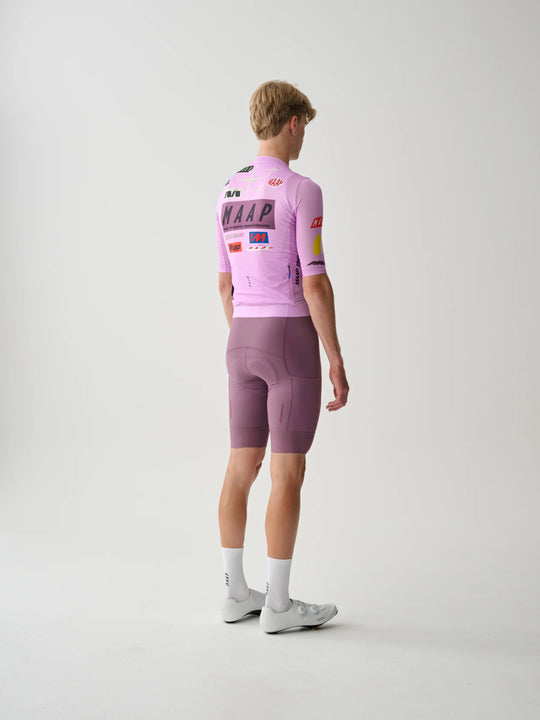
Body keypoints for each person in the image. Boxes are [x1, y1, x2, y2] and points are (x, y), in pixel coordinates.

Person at [215, 80, 349, 634]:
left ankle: (234, 593)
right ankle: (278, 605)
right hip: (289, 338)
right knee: (287, 472)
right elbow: (315, 284)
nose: (304, 138)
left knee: (240, 467)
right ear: (293, 122)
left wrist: (248, 337)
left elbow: (224, 284)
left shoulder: (228, 191)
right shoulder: (301, 189)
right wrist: (335, 358)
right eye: (304, 127)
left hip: (240, 340)